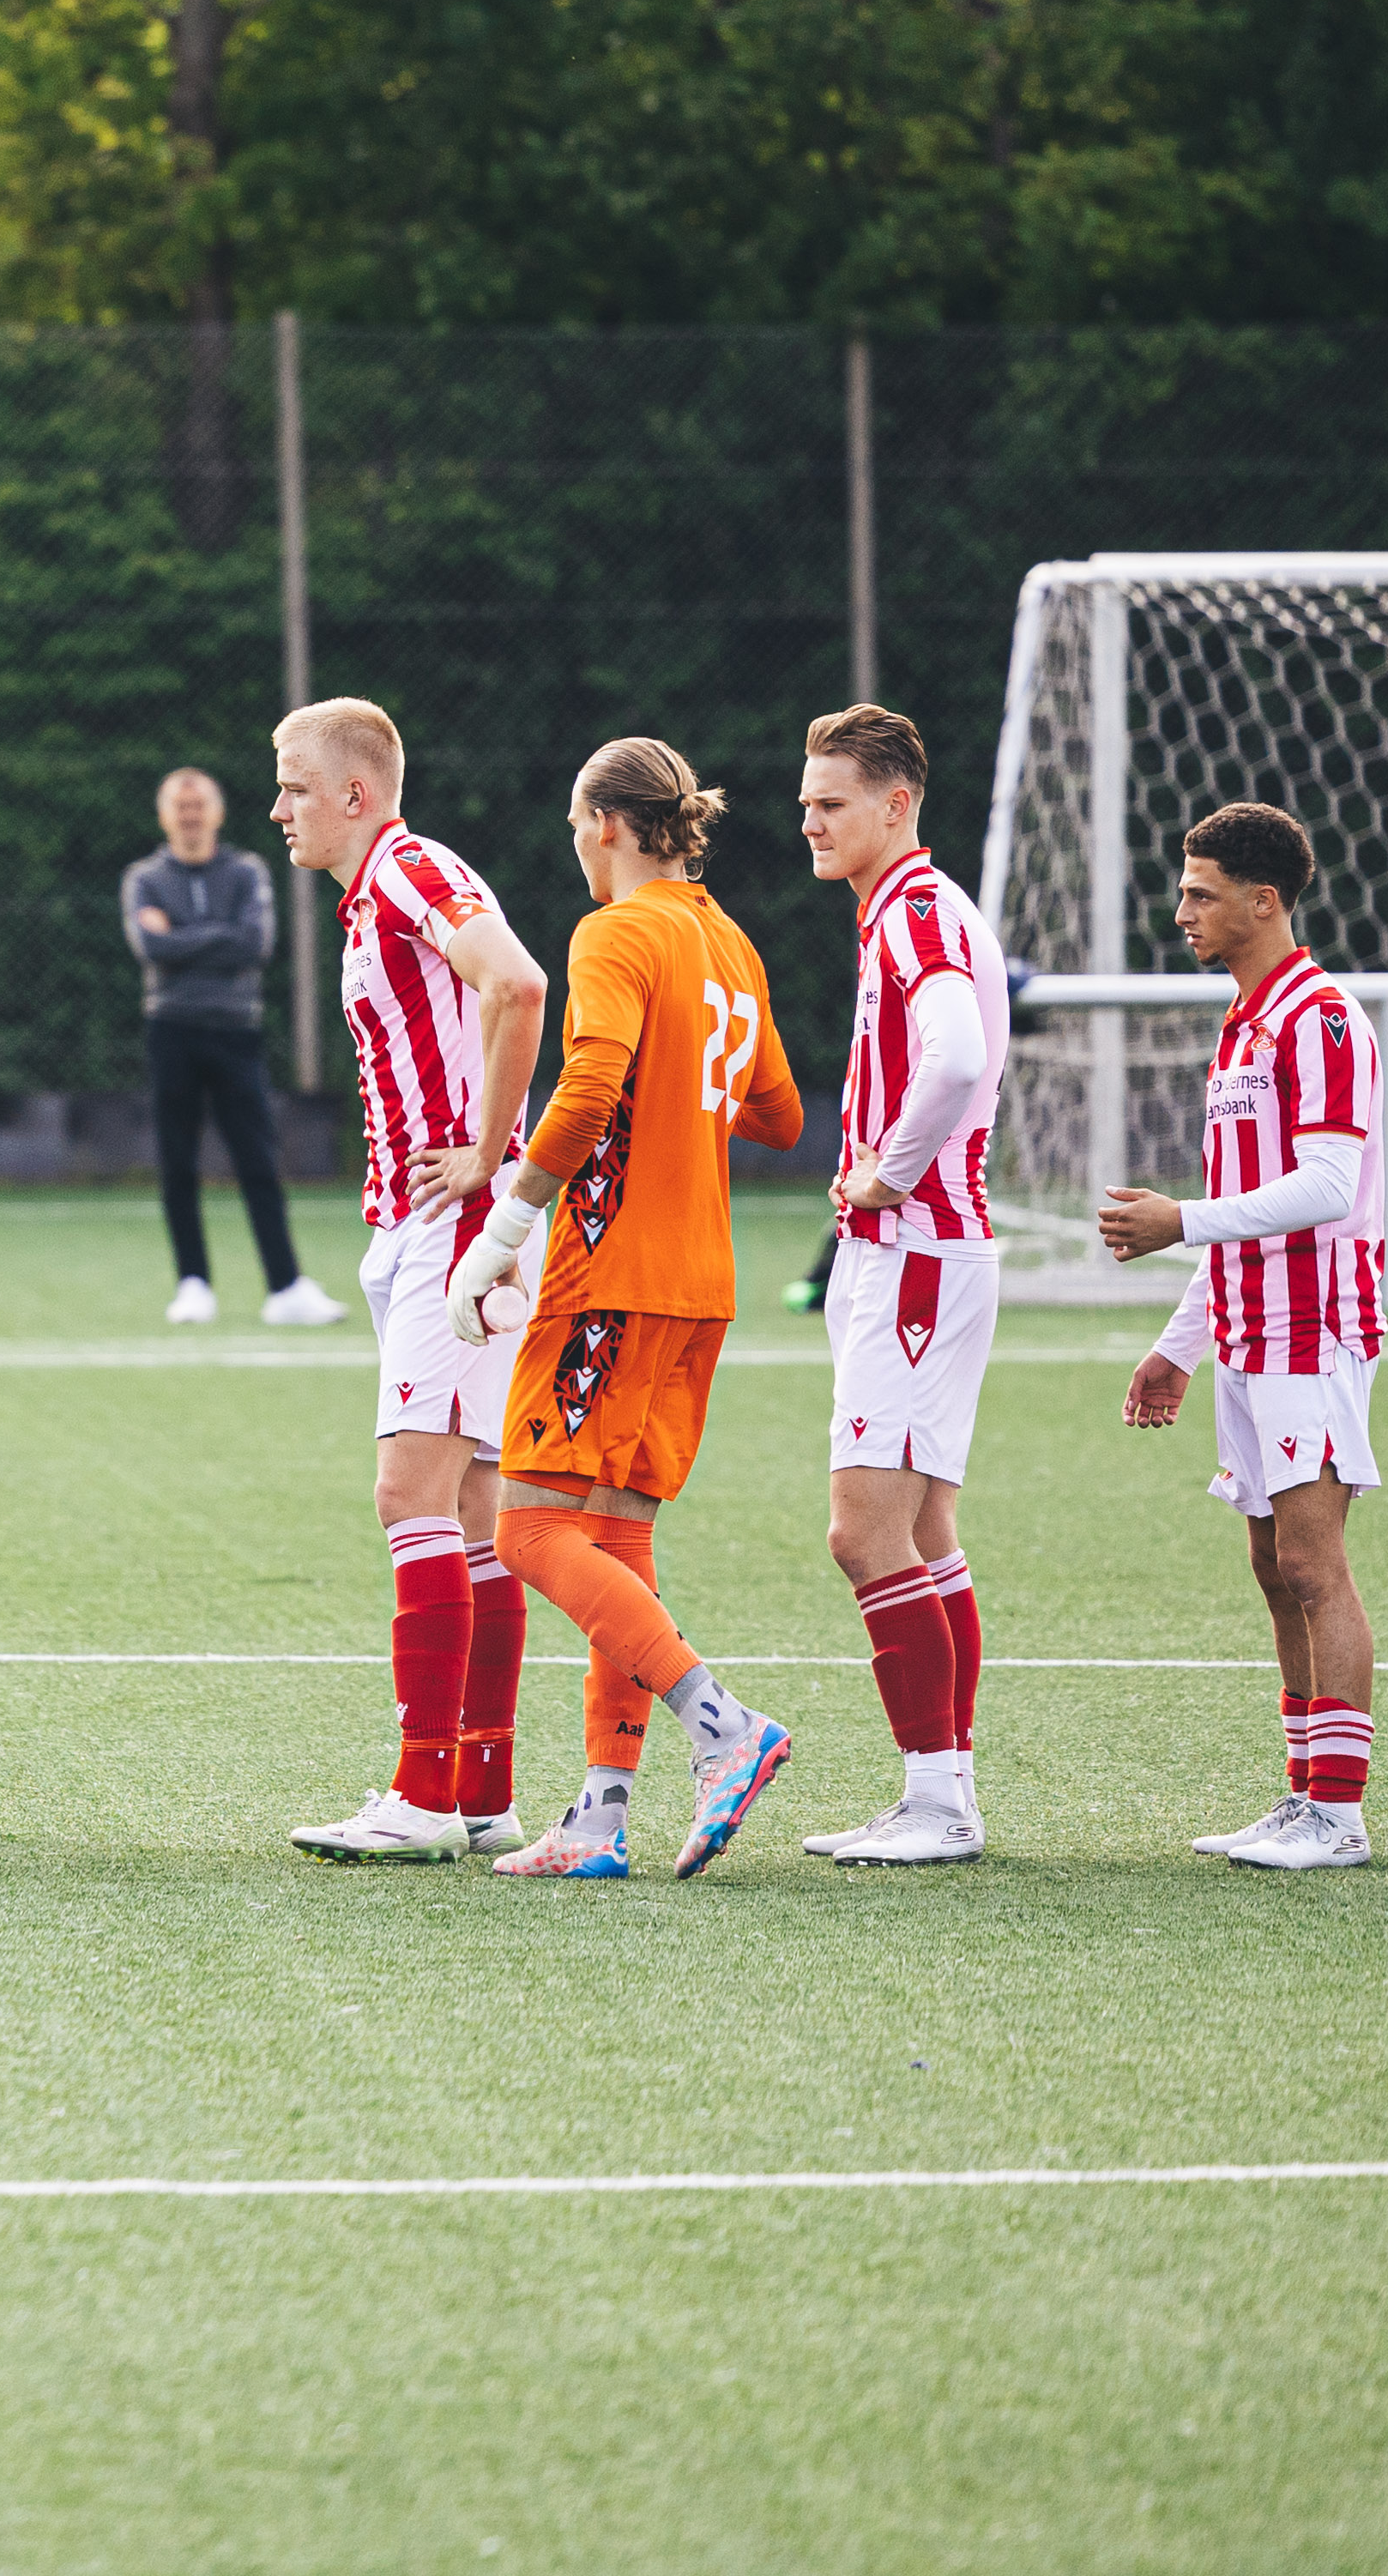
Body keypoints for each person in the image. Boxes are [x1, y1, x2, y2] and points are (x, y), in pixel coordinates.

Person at [448, 735, 812, 1880]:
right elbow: (779, 1113)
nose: (574, 843)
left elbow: (590, 1083)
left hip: (609, 1277)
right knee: (614, 1537)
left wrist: (502, 1234)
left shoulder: (613, 932)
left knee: (525, 1530)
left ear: (605, 824)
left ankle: (723, 1727)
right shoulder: (728, 940)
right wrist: (681, 1108)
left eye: (575, 824)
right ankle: (600, 1820)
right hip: (702, 1283)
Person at [267, 700, 549, 1863]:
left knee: (409, 1495)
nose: (277, 808)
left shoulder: (406, 869)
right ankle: (480, 1790)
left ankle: (423, 1792)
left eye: (293, 786)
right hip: (431, 1226)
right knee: (474, 1508)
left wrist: (488, 1154)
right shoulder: (377, 890)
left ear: (354, 793)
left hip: (455, 1223)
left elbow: (517, 985)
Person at [1102, 802, 1388, 1872]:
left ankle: (1340, 1818)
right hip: (1252, 1328)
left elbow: (1326, 1186)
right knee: (1274, 1565)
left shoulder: (1319, 1018)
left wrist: (1178, 1221)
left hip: (1314, 1328)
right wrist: (1181, 1343)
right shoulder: (1244, 1024)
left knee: (1314, 1563)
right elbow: (1245, 1206)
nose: (1182, 911)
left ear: (1264, 902)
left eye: (1202, 893)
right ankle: (1304, 1794)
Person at [794, 704, 1009, 1866]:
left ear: (897, 805)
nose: (811, 823)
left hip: (916, 1251)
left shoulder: (916, 907)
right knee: (921, 1528)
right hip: (926, 1252)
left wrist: (891, 1172)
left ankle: (937, 1800)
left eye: (831, 804)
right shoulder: (907, 906)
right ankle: (944, 1787)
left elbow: (959, 1055)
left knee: (862, 1529)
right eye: (806, 804)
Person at [124, 765, 334, 1328]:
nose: (190, 816)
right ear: (165, 816)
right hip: (170, 1029)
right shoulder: (144, 878)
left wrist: (180, 936)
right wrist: (216, 934)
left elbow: (255, 944)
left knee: (258, 1158)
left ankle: (285, 1286)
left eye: (199, 806)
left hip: (237, 1031)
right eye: (180, 807)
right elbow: (151, 948)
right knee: (177, 1161)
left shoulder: (246, 872)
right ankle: (192, 1284)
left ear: (216, 813)